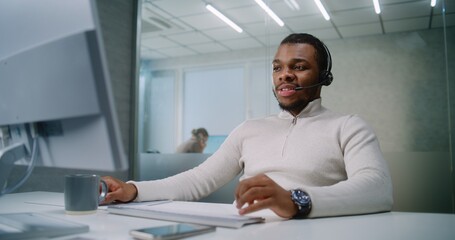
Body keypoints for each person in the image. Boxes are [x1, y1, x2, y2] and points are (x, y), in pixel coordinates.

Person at [102, 33, 393, 219]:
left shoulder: (348, 126)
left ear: (324, 77)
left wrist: (295, 201)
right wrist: (133, 189)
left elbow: (377, 189)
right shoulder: (249, 128)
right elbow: (198, 179)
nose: (285, 75)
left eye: (299, 67)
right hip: (247, 230)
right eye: (278, 67)